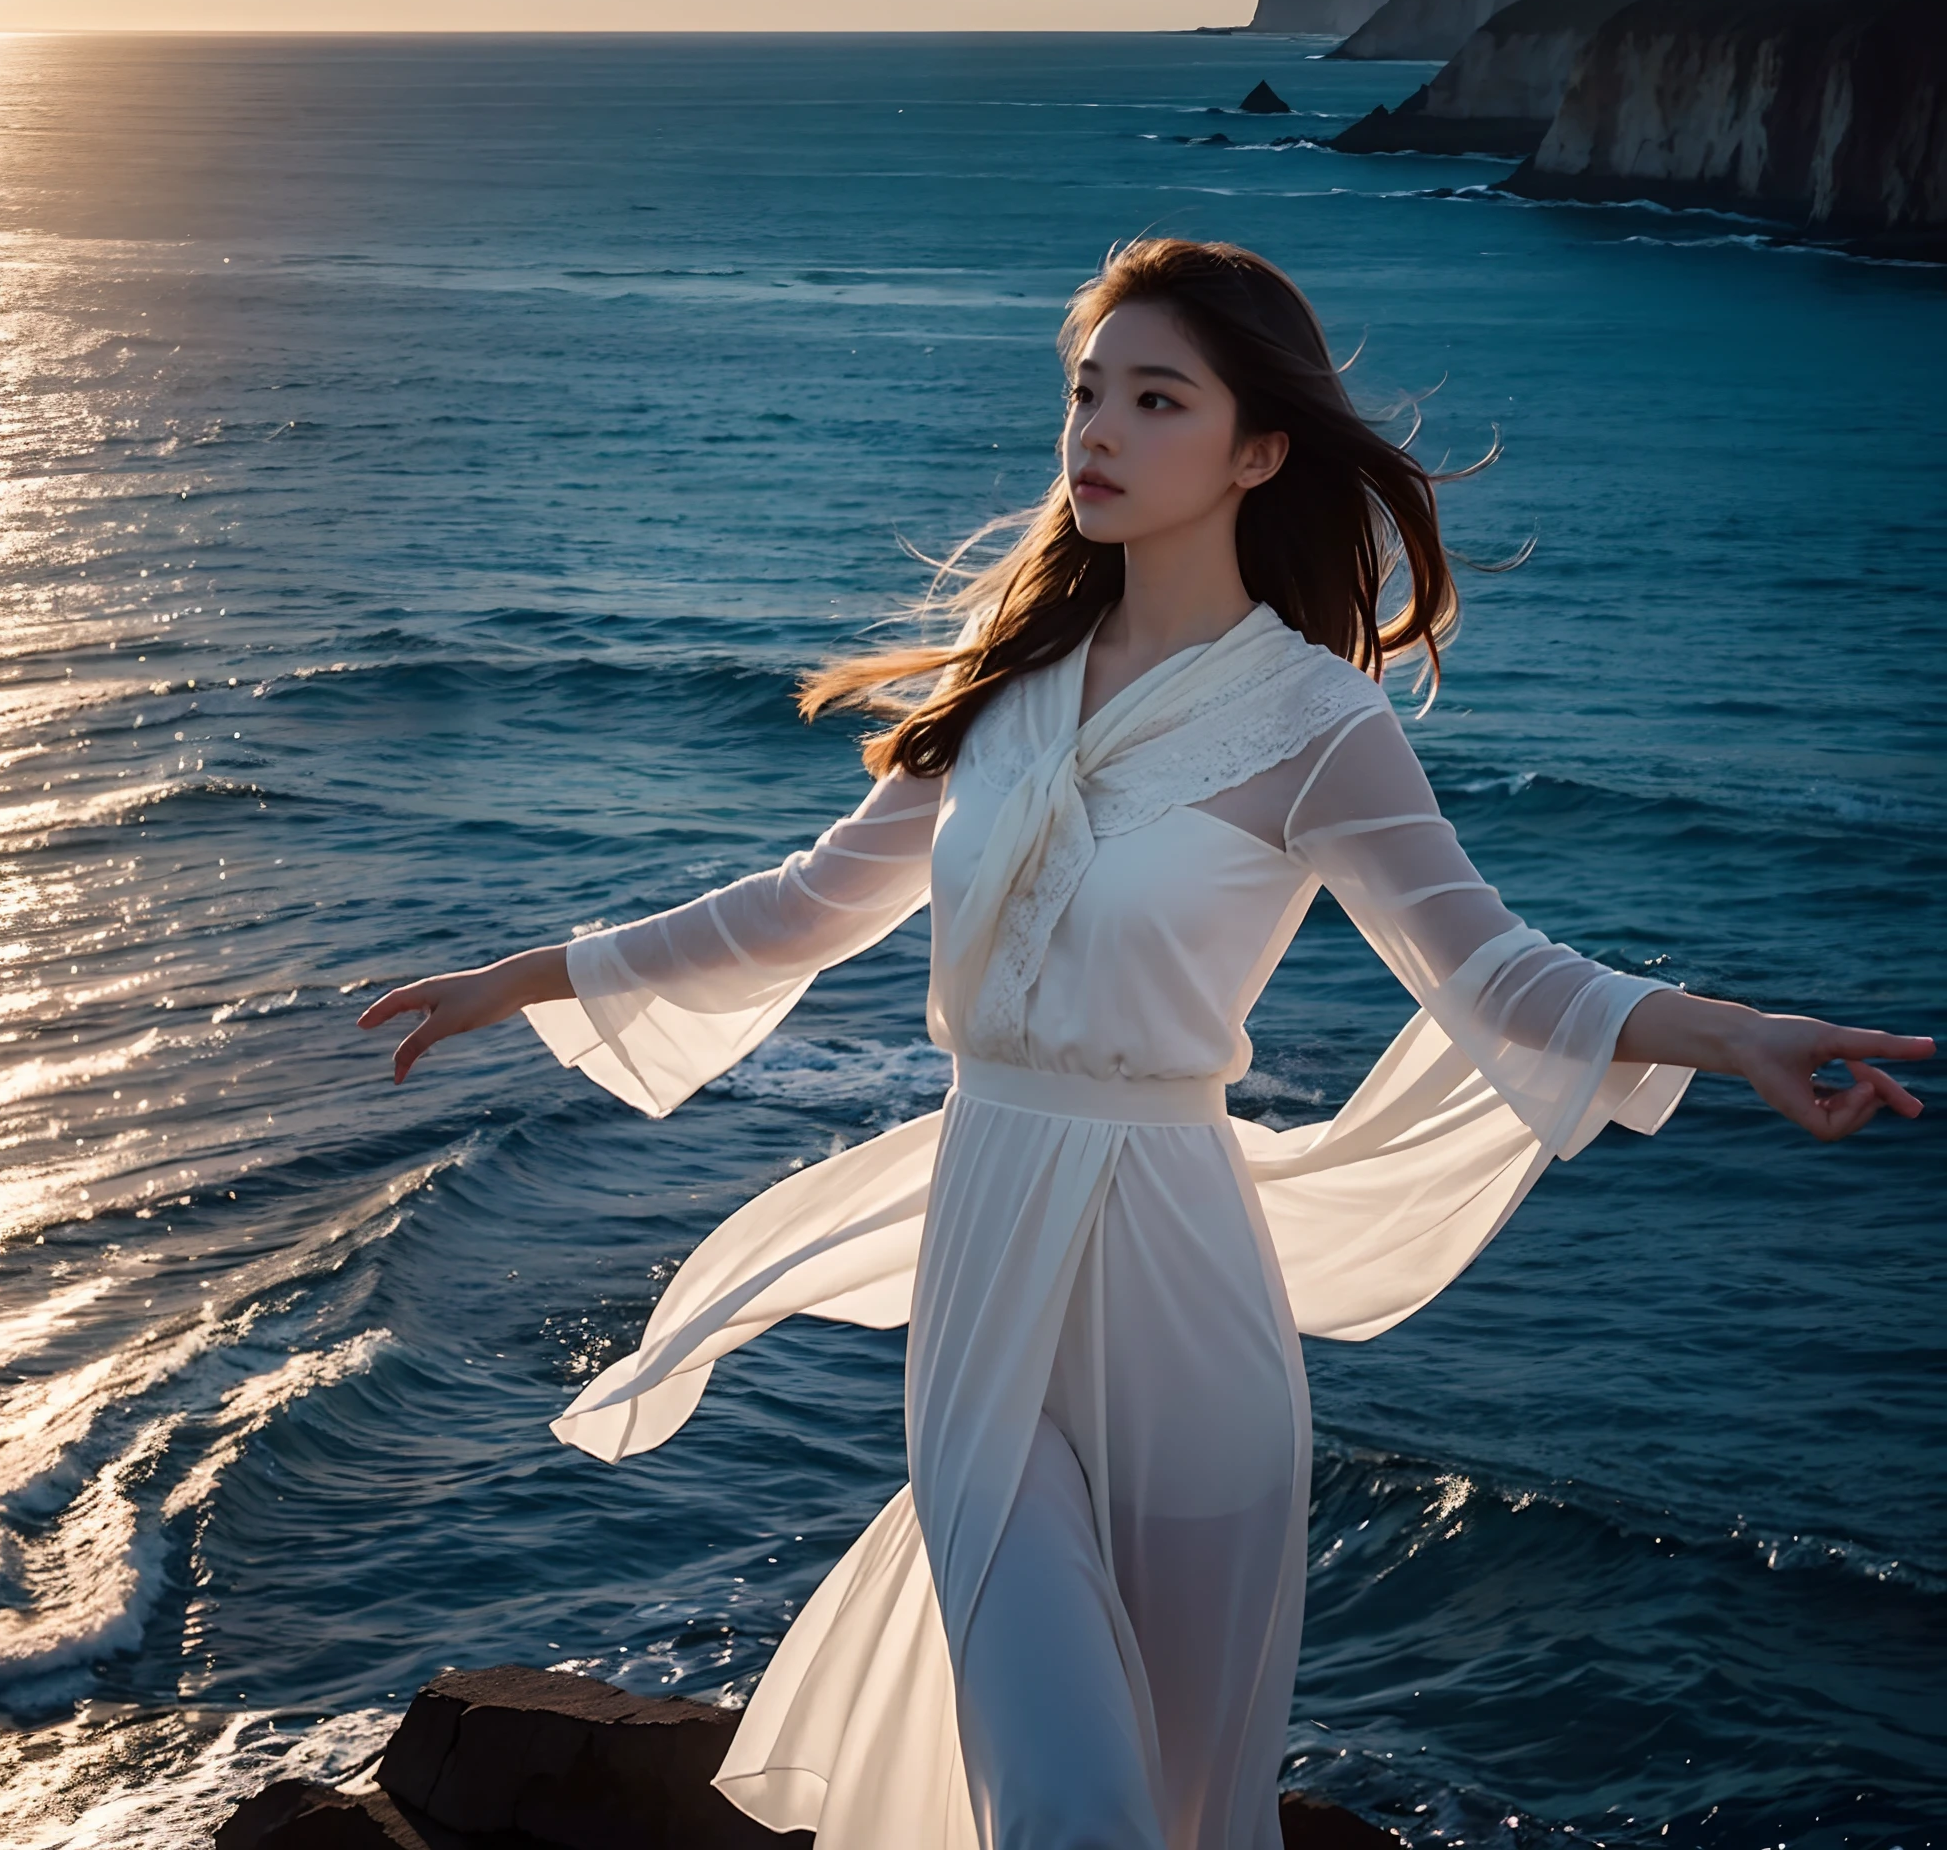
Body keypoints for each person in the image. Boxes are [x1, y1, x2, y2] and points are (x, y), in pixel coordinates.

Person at [359, 239, 1931, 1850]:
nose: (1095, 431)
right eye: (1086, 392)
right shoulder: (1005, 682)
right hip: (989, 1244)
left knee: (1182, 1795)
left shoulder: (1322, 723)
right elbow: (809, 904)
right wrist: (531, 976)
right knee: (1073, 1799)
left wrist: (1737, 1035)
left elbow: (1496, 975)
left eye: (1154, 398)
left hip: (1185, 1284)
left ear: (1259, 451)